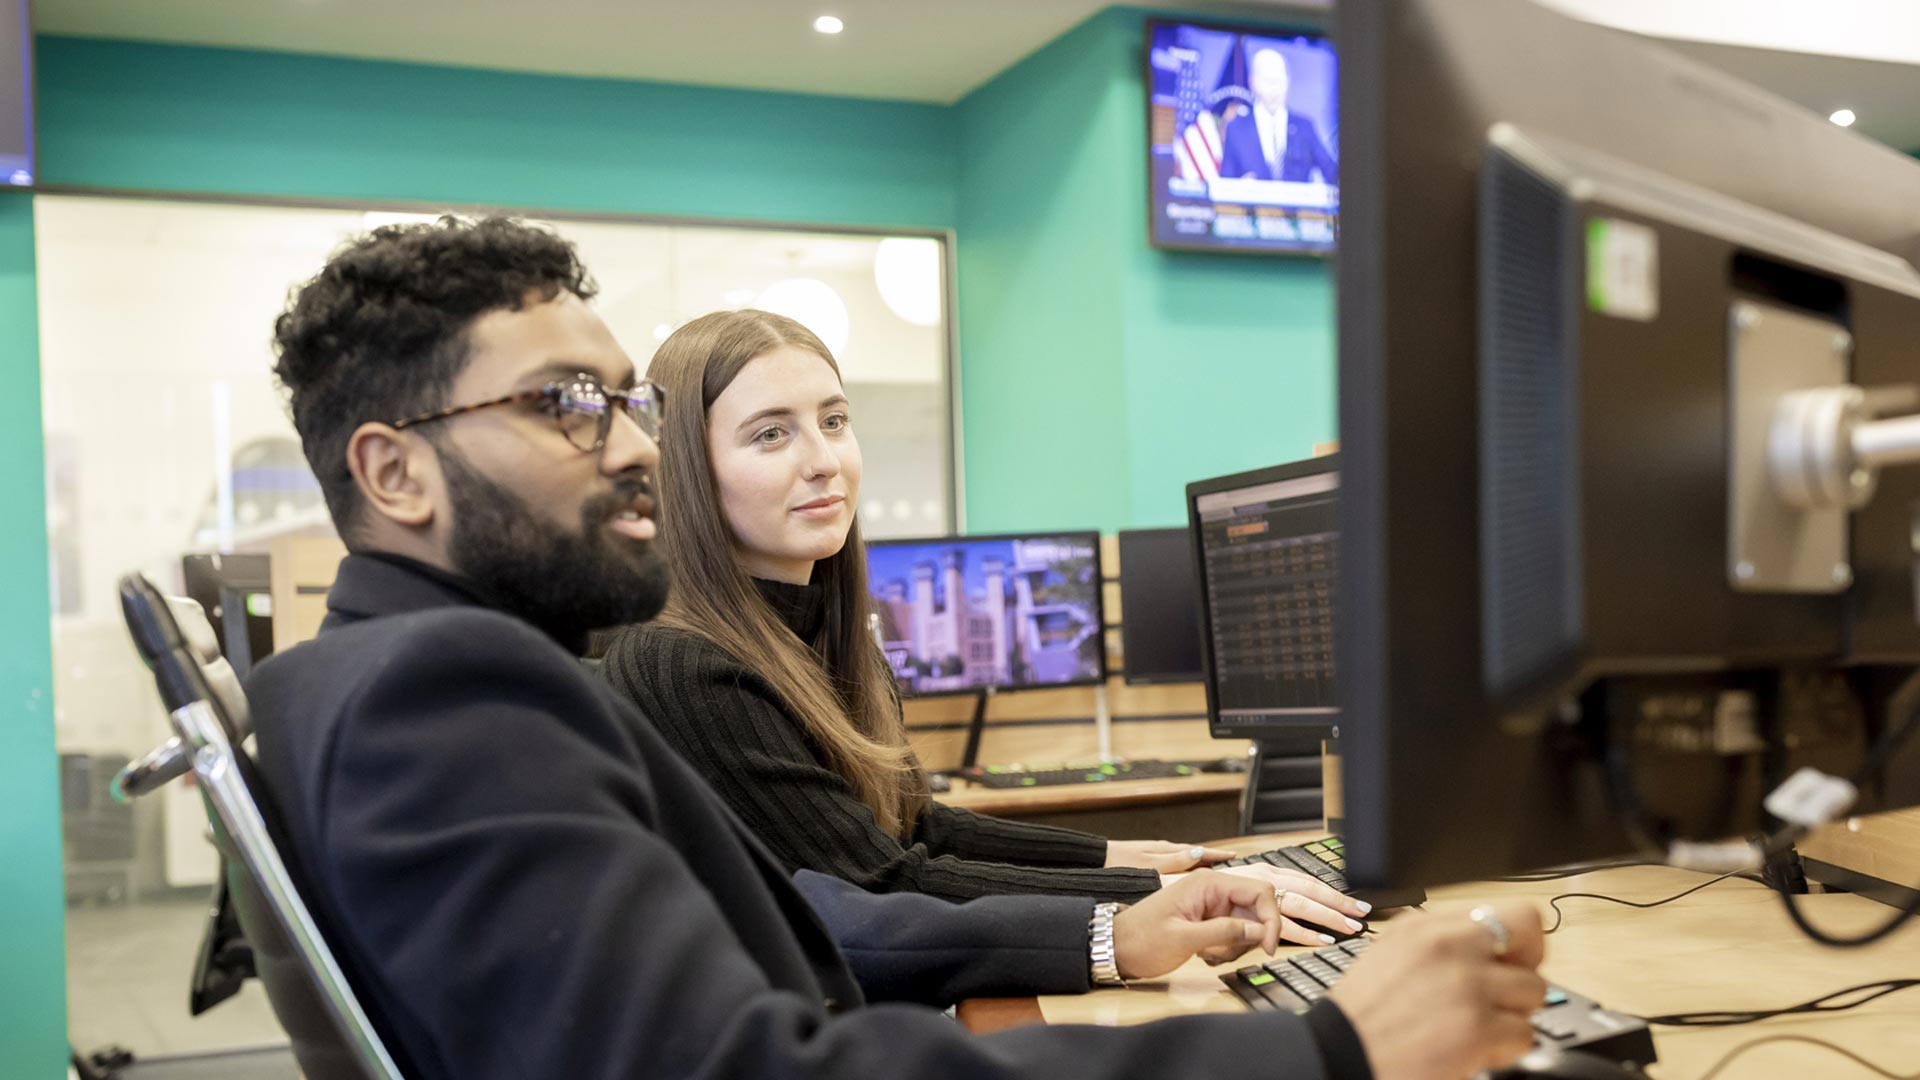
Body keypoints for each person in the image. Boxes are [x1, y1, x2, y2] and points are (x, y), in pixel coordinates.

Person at [250, 214, 1549, 1080]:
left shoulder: (390, 679)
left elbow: (809, 908)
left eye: (628, 405)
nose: (639, 448)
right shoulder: (439, 698)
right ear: (394, 471)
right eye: (565, 406)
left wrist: (1116, 931)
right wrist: (1324, 1047)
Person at [598, 310, 1368, 944]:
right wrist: (1149, 891)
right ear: (687, 470)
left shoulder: (824, 638)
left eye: (834, 421)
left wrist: (1118, 857)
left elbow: (913, 826)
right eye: (772, 433)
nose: (825, 459)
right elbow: (883, 882)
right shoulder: (682, 665)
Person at [1217, 47, 1339, 185]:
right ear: (1253, 83)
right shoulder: (1237, 128)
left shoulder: (1304, 127)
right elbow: (1225, 185)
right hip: (1252, 206)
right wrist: (1239, 187)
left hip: (1297, 206)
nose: (1275, 88)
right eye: (1269, 81)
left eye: (1280, 80)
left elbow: (1332, 173)